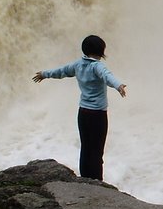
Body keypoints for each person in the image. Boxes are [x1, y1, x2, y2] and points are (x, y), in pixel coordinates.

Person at [32, 35, 127, 180]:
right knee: (96, 152)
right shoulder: (98, 66)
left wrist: (45, 74)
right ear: (101, 51)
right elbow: (107, 76)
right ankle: (96, 183)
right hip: (97, 115)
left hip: (83, 113)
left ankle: (84, 179)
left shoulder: (77, 65)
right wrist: (118, 85)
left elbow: (61, 71)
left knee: (86, 148)